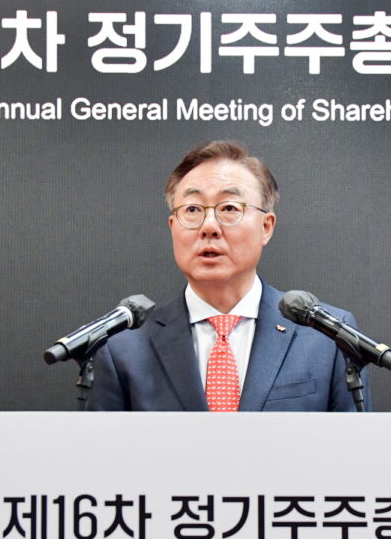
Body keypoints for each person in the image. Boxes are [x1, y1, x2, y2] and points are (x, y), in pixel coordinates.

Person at [85, 141, 371, 412]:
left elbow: (353, 444)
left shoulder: (327, 338)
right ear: (173, 226)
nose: (209, 226)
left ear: (266, 227)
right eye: (192, 209)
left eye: (229, 208)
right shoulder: (123, 347)